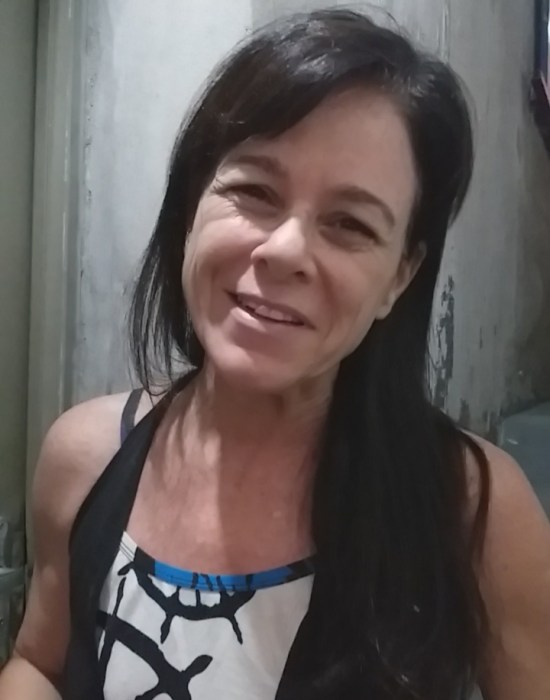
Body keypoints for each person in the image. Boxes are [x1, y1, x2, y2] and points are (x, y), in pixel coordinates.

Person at [1, 8, 549, 700]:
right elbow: (40, 663)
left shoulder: (472, 510)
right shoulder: (87, 459)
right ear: (192, 206)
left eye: (349, 224)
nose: (285, 250)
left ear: (399, 277)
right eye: (254, 191)